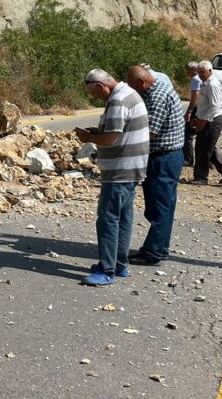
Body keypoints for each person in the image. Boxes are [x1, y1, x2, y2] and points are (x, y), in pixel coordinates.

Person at [74, 69, 149, 286]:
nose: (95, 97)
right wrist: (97, 131)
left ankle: (107, 270)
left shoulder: (117, 100)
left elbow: (111, 138)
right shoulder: (127, 94)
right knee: (123, 218)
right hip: (131, 168)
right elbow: (118, 129)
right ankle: (119, 264)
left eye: (95, 93)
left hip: (120, 170)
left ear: (100, 86)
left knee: (107, 219)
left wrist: (89, 137)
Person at [125, 66, 184, 266]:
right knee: (165, 206)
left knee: (159, 208)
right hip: (168, 157)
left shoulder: (158, 96)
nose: (133, 91)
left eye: (134, 87)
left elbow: (149, 133)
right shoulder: (156, 89)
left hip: (163, 158)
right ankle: (160, 248)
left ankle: (153, 252)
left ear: (143, 82)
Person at [189, 59, 222, 185]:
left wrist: (203, 121)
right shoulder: (204, 84)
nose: (200, 75)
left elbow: (214, 106)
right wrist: (196, 117)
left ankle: (201, 178)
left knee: (204, 150)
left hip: (212, 121)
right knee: (206, 148)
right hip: (205, 119)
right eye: (198, 72)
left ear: (210, 71)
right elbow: (203, 105)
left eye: (202, 72)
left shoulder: (212, 84)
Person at [183, 61, 201, 167]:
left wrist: (189, 111)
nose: (187, 72)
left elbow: (195, 95)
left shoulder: (195, 79)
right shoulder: (201, 78)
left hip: (196, 109)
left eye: (188, 69)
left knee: (188, 134)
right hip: (202, 109)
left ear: (194, 69)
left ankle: (188, 159)